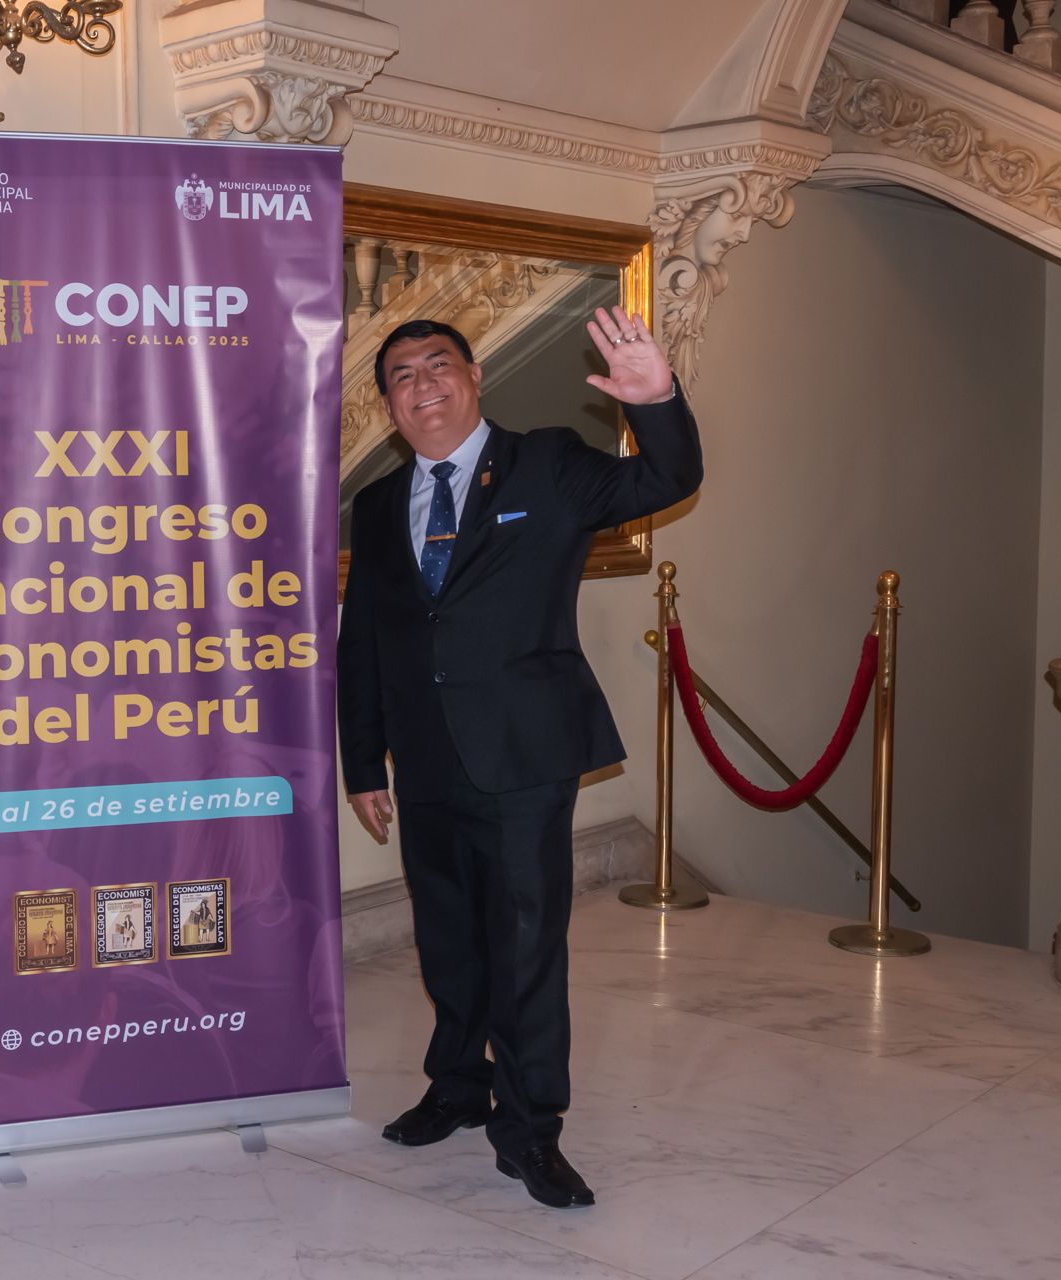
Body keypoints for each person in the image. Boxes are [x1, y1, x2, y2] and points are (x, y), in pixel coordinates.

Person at [336, 306, 701, 1210]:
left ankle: (531, 1129)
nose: (422, 384)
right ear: (389, 407)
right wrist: (363, 761)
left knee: (526, 947)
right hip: (425, 760)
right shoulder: (376, 505)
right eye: (401, 376)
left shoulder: (547, 463)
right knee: (448, 941)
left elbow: (667, 476)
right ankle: (459, 1086)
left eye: (439, 365)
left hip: (524, 755)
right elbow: (365, 640)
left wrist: (657, 401)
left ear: (474, 376)